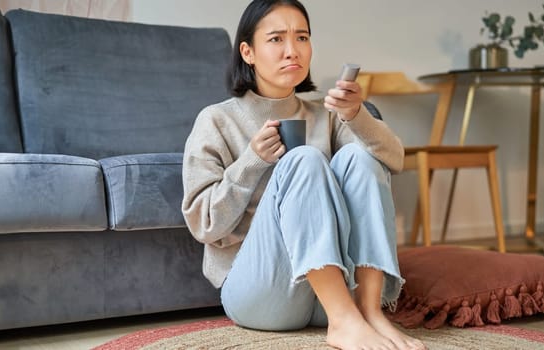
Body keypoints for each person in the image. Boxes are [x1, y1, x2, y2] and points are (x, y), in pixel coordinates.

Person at [182, 1, 425, 349]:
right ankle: (344, 322)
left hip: (335, 293)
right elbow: (203, 224)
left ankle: (369, 312)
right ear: (248, 52)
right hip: (261, 296)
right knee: (305, 160)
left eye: (302, 37)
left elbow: (394, 159)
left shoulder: (326, 115)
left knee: (360, 154)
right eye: (277, 39)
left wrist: (357, 114)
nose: (292, 51)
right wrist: (251, 162)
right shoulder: (216, 120)